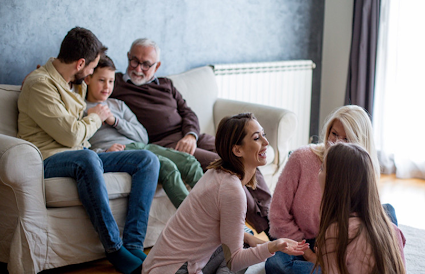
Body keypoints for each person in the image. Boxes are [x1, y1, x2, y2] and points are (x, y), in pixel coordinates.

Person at [17, 27, 159, 274]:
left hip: (83, 154)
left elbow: (79, 136)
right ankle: (114, 249)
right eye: (92, 69)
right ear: (80, 64)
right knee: (87, 158)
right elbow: (71, 134)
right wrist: (95, 116)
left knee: (147, 159)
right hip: (48, 159)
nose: (93, 73)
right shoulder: (40, 84)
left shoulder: (74, 82)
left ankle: (134, 245)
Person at [110, 38, 271, 235]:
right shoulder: (115, 84)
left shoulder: (166, 85)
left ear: (157, 65)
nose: (138, 69)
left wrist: (191, 135)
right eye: (134, 61)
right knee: (230, 164)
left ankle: (271, 215)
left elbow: (188, 113)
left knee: (250, 155)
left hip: (192, 136)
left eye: (146, 64)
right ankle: (265, 227)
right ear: (127, 57)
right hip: (165, 144)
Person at [142, 113, 309, 274]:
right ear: (237, 150)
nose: (266, 142)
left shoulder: (216, 172)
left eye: (263, 135)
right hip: (175, 269)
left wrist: (249, 239)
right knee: (241, 251)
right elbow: (234, 261)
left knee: (244, 238)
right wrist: (273, 246)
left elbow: (215, 229)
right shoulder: (232, 191)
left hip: (159, 264)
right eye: (257, 138)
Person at [266, 105, 398, 274]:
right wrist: (310, 255)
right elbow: (278, 215)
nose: (336, 143)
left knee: (387, 213)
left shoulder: (363, 167)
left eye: (347, 138)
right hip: (303, 243)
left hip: (345, 242)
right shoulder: (301, 158)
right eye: (334, 134)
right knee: (276, 263)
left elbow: (363, 224)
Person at [84, 56, 203, 208]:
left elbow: (143, 136)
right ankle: (196, 220)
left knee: (189, 162)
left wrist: (115, 121)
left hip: (140, 146)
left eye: (111, 81)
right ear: (88, 79)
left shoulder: (118, 105)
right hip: (120, 152)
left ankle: (213, 211)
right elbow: (78, 144)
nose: (107, 86)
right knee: (167, 166)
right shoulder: (81, 109)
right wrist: (104, 151)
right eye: (101, 80)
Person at [314, 143, 406, 274]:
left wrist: (325, 255)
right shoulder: (393, 230)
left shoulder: (336, 233)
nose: (319, 172)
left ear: (335, 183)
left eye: (322, 168)